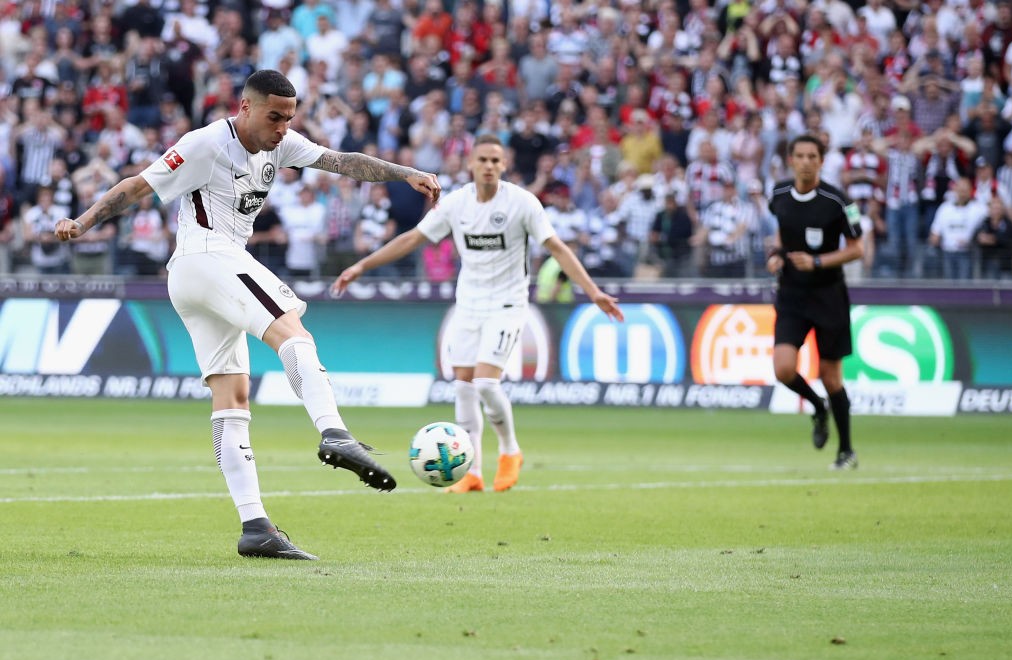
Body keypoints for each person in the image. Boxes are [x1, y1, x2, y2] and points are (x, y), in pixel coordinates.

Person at [55, 70, 441, 561]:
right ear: (245, 107)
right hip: (208, 255)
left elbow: (342, 162)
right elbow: (137, 186)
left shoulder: (280, 144)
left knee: (232, 396)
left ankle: (255, 526)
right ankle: (334, 432)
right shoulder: (205, 143)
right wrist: (84, 222)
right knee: (293, 332)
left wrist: (402, 172)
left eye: (289, 118)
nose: (282, 127)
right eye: (274, 117)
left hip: (200, 277)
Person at [331, 135, 623, 493]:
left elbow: (557, 247)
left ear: (503, 166)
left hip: (508, 304)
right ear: (471, 163)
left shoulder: (522, 203)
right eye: (482, 160)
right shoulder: (456, 205)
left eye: (495, 161)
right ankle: (471, 472)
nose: (488, 166)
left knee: (486, 383)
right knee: (463, 387)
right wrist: (362, 265)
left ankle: (510, 451)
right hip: (468, 305)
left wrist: (593, 292)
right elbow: (411, 239)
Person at [767, 135, 864, 471]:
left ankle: (847, 450)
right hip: (792, 294)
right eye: (800, 155)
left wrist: (819, 262)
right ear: (791, 159)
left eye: (812, 156)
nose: (806, 161)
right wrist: (776, 256)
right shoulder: (778, 195)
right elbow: (780, 233)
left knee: (830, 376)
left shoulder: (839, 201)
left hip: (828, 296)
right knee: (782, 368)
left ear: (822, 161)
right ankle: (817, 408)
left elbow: (857, 249)